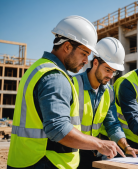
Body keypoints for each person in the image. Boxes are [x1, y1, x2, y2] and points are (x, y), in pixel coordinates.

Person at [7, 16, 125, 169]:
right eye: (84, 53)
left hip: (25, 159)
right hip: (45, 161)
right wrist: (99, 144)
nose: (86, 60)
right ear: (67, 47)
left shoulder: (39, 67)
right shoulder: (55, 77)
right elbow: (58, 128)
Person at [73, 37, 138, 169]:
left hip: (93, 152)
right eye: (107, 70)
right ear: (95, 63)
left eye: (114, 71)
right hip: (72, 152)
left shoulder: (109, 92)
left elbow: (112, 124)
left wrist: (126, 147)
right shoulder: (73, 85)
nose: (111, 76)